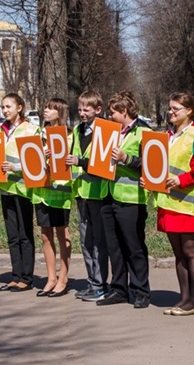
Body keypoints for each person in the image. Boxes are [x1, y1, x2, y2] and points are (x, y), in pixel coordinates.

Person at [149, 92, 194, 316]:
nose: (171, 112)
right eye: (170, 108)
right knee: (178, 253)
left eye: (177, 109)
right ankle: (183, 298)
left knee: (191, 250)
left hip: (188, 202)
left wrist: (182, 180)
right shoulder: (166, 136)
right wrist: (151, 179)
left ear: (189, 111)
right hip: (167, 201)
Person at [97, 91, 152, 308]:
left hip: (131, 199)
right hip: (107, 195)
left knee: (134, 246)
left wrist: (126, 158)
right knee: (114, 247)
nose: (110, 116)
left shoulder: (143, 132)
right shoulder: (109, 132)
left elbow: (152, 163)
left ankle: (141, 291)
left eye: (113, 113)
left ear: (124, 111)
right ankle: (119, 289)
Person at [66, 91, 110, 302]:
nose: (82, 113)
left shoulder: (104, 131)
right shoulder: (77, 129)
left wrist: (80, 162)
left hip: (97, 193)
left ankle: (100, 284)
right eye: (80, 109)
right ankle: (91, 281)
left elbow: (101, 162)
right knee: (85, 240)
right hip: (81, 192)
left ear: (98, 110)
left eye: (87, 109)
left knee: (97, 241)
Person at [0, 93, 40, 293]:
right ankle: (15, 276)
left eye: (8, 106)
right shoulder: (1, 130)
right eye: (3, 107)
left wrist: (15, 167)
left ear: (19, 108)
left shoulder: (30, 130)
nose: (5, 110)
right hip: (5, 188)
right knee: (12, 235)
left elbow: (35, 162)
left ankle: (26, 277)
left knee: (24, 234)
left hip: (22, 188)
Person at [36, 98, 72, 298]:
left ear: (60, 112)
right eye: (45, 107)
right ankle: (50, 278)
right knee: (45, 235)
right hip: (41, 190)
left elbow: (68, 161)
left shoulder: (68, 135)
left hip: (60, 191)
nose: (45, 110)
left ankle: (63, 278)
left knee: (61, 234)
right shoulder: (39, 134)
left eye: (50, 108)